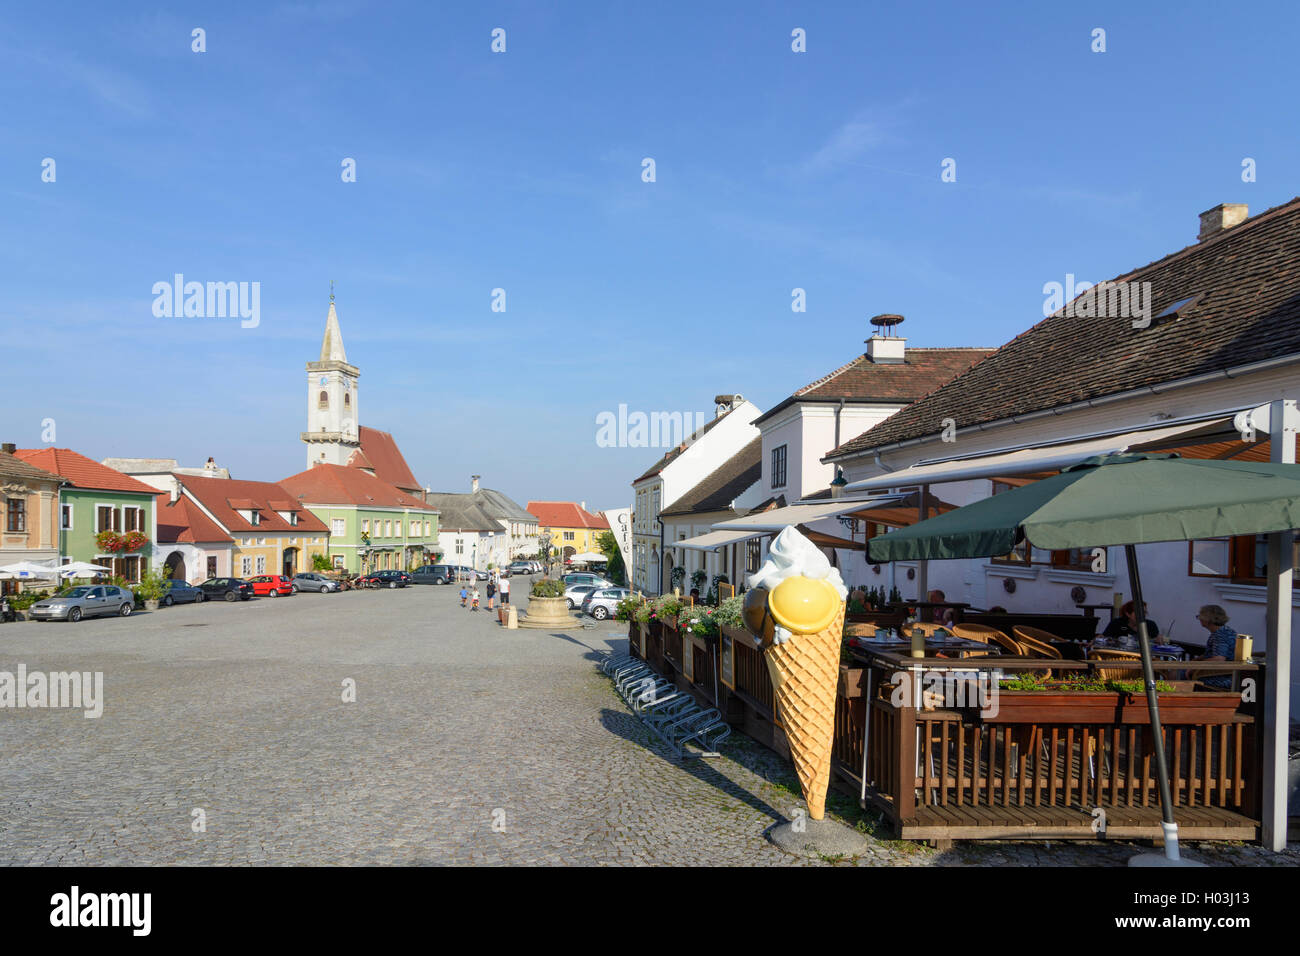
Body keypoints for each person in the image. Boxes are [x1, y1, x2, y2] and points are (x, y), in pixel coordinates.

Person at [1193, 604, 1237, 689]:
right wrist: (1197, 660)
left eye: (1200, 616)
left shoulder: (1220, 635)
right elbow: (1213, 654)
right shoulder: (1226, 631)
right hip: (1227, 673)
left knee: (1177, 673)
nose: (1199, 618)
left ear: (1208, 619)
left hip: (1221, 676)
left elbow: (1219, 659)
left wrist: (1195, 666)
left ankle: (1170, 699)